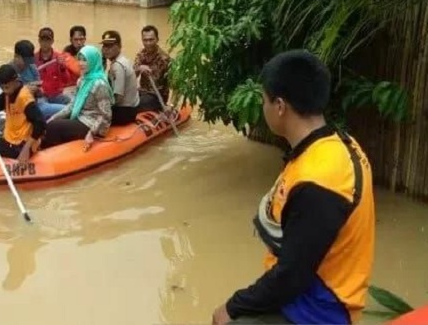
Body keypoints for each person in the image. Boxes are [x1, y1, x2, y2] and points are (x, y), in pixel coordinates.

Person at [212, 50, 375, 325]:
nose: (263, 109)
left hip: (318, 312)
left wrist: (232, 306)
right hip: (314, 290)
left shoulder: (319, 180)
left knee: (227, 320)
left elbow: (291, 277)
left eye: (264, 101)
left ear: (279, 106)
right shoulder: (338, 143)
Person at [41, 45, 113, 150]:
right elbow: (73, 104)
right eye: (79, 59)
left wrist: (92, 133)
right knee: (51, 122)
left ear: (93, 61)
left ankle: (48, 155)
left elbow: (106, 114)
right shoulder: (83, 79)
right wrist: (54, 117)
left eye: (85, 60)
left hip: (91, 123)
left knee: (53, 127)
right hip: (80, 116)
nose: (81, 63)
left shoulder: (99, 84)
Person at [12, 39, 66, 119]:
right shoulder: (9, 70)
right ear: (16, 57)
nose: (28, 64)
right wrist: (26, 89)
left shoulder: (32, 67)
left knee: (68, 106)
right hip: (25, 107)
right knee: (65, 110)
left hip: (39, 101)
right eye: (25, 61)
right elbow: (9, 95)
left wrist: (38, 90)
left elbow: (40, 90)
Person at [99, 30, 140, 126]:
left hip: (124, 112)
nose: (106, 49)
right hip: (130, 109)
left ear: (119, 46)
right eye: (104, 46)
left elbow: (118, 97)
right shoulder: (123, 60)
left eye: (110, 46)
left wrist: (102, 106)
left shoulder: (118, 66)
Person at [134, 25, 172, 112]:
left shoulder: (164, 58)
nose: (148, 43)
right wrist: (139, 68)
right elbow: (132, 76)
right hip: (142, 92)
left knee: (134, 106)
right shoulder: (141, 54)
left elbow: (174, 84)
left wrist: (171, 105)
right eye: (145, 40)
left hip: (157, 96)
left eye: (151, 40)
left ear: (157, 39)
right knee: (124, 101)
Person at [35, 27, 74, 105]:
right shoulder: (33, 58)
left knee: (73, 103)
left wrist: (63, 67)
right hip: (41, 97)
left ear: (52, 41)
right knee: (42, 106)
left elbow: (66, 81)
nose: (45, 43)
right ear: (39, 41)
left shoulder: (60, 57)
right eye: (43, 40)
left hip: (57, 96)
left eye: (48, 40)